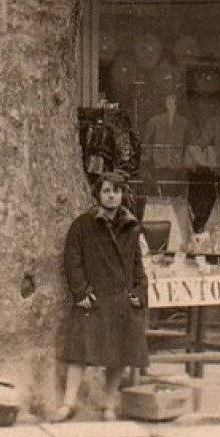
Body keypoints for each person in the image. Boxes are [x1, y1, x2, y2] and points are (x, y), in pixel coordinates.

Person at [53, 173, 149, 422]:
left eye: (116, 191)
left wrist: (139, 291)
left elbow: (137, 263)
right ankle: (68, 402)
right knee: (80, 352)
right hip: (94, 298)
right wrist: (81, 291)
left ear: (122, 194)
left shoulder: (131, 225)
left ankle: (108, 404)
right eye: (107, 190)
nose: (111, 195)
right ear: (98, 194)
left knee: (118, 356)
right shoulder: (83, 224)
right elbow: (72, 260)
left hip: (121, 299)